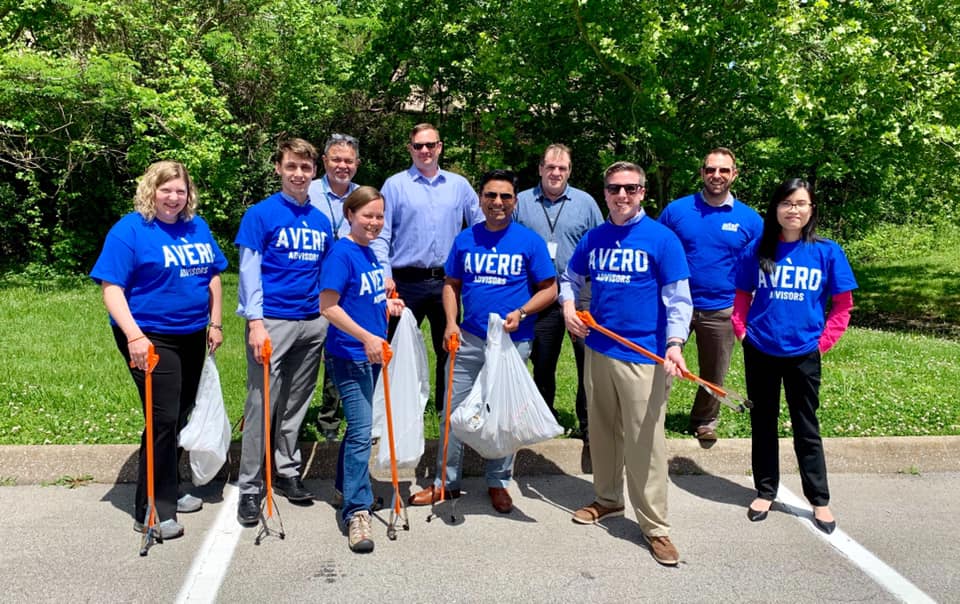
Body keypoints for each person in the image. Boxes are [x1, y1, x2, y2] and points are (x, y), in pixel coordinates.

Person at [561, 161, 692, 566]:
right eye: (615, 189)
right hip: (599, 349)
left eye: (630, 189)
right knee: (601, 433)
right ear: (605, 192)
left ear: (642, 192)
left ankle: (655, 527)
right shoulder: (595, 237)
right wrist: (569, 306)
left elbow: (679, 298)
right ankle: (607, 499)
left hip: (644, 356)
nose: (622, 196)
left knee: (645, 443)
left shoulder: (662, 239)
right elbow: (569, 276)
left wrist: (674, 343)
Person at [91, 160, 228, 540]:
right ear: (151, 190)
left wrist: (214, 322)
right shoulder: (130, 230)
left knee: (180, 414)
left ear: (189, 194)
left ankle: (169, 486)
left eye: (180, 191)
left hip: (191, 333)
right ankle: (150, 507)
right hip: (149, 336)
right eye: (165, 189)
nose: (173, 197)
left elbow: (213, 274)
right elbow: (111, 288)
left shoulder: (196, 227)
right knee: (163, 418)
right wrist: (135, 337)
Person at [407, 170, 557, 513]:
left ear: (515, 201)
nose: (498, 203)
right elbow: (451, 284)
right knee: (452, 412)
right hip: (470, 338)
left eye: (505, 196)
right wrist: (450, 323)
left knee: (502, 414)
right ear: (480, 199)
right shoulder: (465, 239)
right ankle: (446, 481)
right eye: (491, 196)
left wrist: (522, 311)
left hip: (510, 342)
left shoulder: (528, 241)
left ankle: (498, 483)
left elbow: (550, 288)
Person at [731, 178, 857, 535]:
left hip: (804, 352)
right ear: (776, 209)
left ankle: (819, 499)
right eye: (787, 203)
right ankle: (765, 491)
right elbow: (741, 295)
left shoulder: (826, 251)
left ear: (811, 210)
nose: (793, 210)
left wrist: (823, 343)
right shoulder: (758, 248)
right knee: (763, 423)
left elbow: (843, 306)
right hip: (761, 349)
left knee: (806, 427)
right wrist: (743, 332)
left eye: (801, 204)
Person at [235, 139, 334, 525]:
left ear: (314, 172)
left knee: (296, 403)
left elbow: (327, 273)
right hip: (272, 321)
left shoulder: (321, 220)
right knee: (262, 404)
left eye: (306, 169)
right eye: (292, 166)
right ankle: (250, 485)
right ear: (278, 168)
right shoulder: (260, 215)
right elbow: (248, 272)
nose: (298, 174)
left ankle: (288, 470)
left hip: (311, 321)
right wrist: (255, 322)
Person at [373, 123, 484, 411]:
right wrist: (385, 275)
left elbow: (480, 226)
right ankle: (391, 407)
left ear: (440, 147)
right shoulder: (395, 185)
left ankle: (446, 406)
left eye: (430, 145)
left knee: (449, 346)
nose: (425, 151)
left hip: (446, 282)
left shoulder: (459, 186)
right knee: (395, 345)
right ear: (410, 149)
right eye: (419, 146)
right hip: (403, 281)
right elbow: (382, 234)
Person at [320, 185, 405, 553]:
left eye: (379, 216)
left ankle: (343, 487)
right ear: (349, 215)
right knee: (359, 432)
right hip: (350, 354)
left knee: (359, 427)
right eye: (367, 215)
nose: (374, 222)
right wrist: (367, 338)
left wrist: (389, 303)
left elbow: (363, 300)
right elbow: (329, 306)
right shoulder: (343, 253)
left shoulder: (369, 254)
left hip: (370, 354)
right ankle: (357, 511)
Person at [658, 148, 763, 444]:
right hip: (674, 305)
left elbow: (758, 263)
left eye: (723, 170)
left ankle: (705, 420)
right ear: (702, 172)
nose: (716, 175)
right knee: (661, 365)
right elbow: (657, 250)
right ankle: (652, 417)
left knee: (714, 372)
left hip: (721, 307)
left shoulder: (750, 220)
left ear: (734, 174)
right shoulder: (676, 211)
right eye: (710, 169)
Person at [515, 143, 602, 442]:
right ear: (540, 168)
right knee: (542, 360)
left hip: (581, 291)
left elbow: (600, 244)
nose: (556, 172)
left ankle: (590, 424)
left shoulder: (586, 203)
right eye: (550, 167)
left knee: (587, 359)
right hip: (538, 291)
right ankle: (543, 418)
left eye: (562, 168)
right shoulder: (521, 202)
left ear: (569, 171)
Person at [308, 133, 362, 442]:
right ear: (325, 162)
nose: (342, 165)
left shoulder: (364, 196)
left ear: (356, 164)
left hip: (347, 292)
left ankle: (329, 421)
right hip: (309, 288)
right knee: (302, 359)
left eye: (348, 160)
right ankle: (287, 419)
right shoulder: (309, 191)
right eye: (336, 159)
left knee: (337, 357)